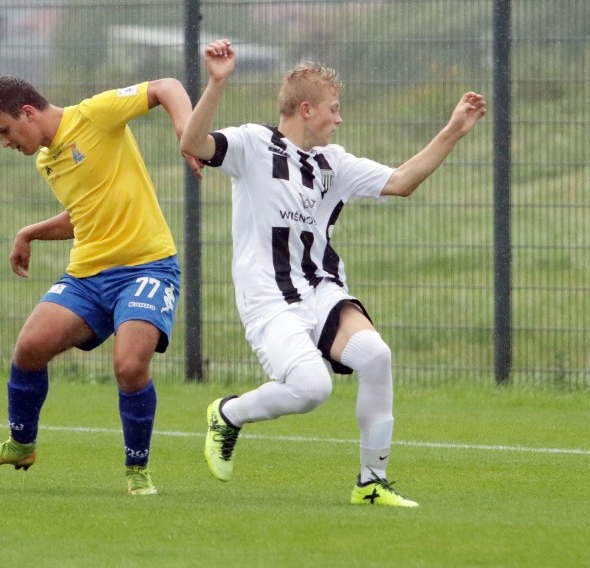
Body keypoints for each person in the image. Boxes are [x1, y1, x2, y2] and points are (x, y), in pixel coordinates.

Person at [180, 39, 486, 507]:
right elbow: (193, 143)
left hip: (321, 289)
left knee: (376, 356)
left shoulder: (333, 162)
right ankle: (229, 414)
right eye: (333, 109)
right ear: (306, 109)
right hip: (268, 299)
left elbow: (401, 182)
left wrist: (452, 131)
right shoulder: (254, 146)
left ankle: (371, 483)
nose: (339, 119)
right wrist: (217, 82)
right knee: (312, 388)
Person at [0, 76, 203, 496]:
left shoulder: (95, 114)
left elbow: (166, 86)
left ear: (29, 113)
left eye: (4, 131)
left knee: (129, 366)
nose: (4, 143)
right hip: (89, 275)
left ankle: (137, 471)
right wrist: (30, 232)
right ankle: (21, 445)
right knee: (30, 346)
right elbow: (83, 215)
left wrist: (185, 130)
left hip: (147, 267)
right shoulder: (46, 160)